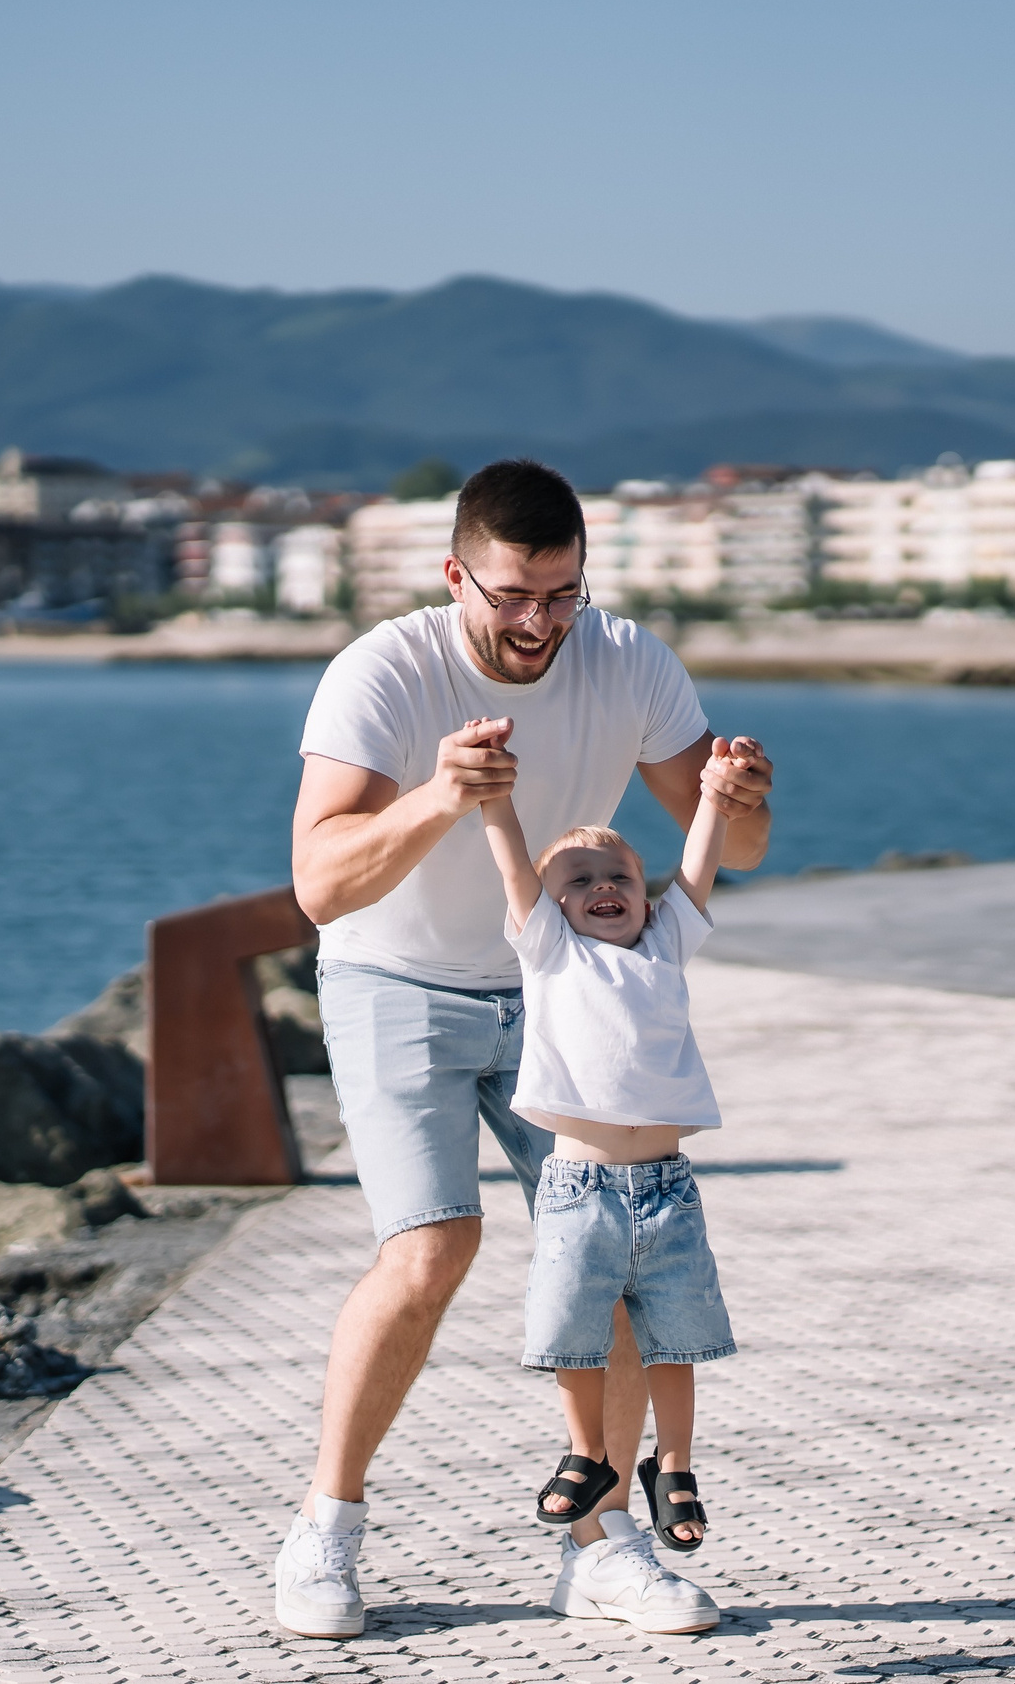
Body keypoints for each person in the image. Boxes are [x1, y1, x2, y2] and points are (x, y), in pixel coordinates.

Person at [273, 458, 773, 1640]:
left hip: (559, 993)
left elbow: (733, 847)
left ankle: (599, 1546)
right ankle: (325, 1528)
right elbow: (317, 881)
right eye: (511, 594)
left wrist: (740, 793)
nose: (540, 622)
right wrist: (440, 796)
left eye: (561, 592)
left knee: (603, 1244)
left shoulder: (629, 658)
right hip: (395, 980)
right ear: (457, 575)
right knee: (431, 1247)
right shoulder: (383, 672)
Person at [474, 779, 735, 1617]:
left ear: (645, 893)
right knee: (574, 1337)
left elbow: (696, 873)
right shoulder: (550, 952)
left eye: (618, 874)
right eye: (579, 881)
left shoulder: (664, 947)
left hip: (667, 1190)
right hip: (579, 1188)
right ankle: (588, 1456)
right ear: (549, 910)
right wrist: (494, 803)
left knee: (674, 1340)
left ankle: (676, 1466)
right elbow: (515, 866)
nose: (603, 890)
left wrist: (717, 801)